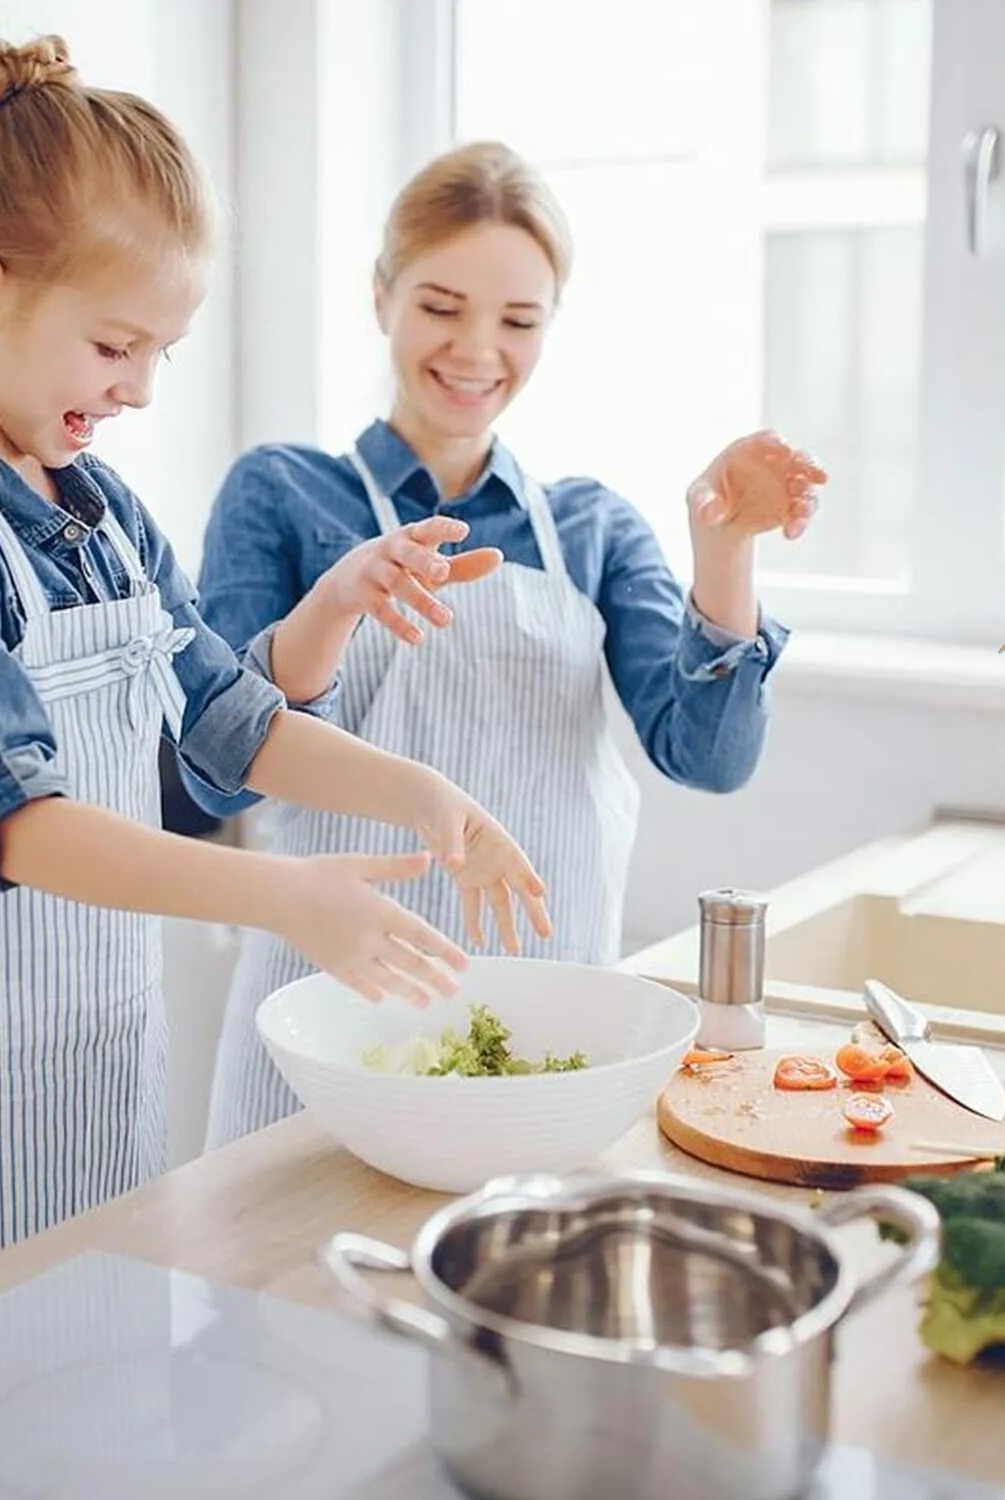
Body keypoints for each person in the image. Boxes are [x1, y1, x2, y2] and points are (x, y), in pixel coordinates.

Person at [0, 38, 546, 1315]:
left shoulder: (104, 512)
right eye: (117, 347)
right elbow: (21, 828)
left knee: (89, 1378)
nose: (140, 389)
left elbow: (232, 721)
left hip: (98, 1062)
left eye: (161, 353)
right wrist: (286, 893)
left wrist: (427, 797)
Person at [194, 141, 825, 1147]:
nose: (477, 350)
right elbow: (216, 778)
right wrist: (339, 601)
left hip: (543, 1041)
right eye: (442, 307)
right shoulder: (278, 494)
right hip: (321, 1031)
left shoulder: (592, 528)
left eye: (518, 321)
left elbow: (708, 756)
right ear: (381, 298)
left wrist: (726, 553)